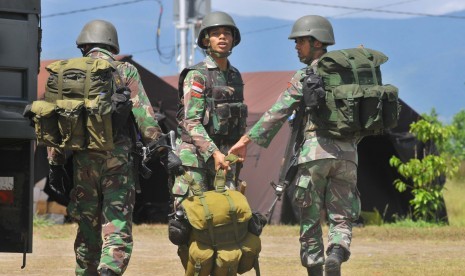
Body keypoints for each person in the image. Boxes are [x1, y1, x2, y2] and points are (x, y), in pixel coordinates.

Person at [229, 15, 360, 276]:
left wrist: (246, 140)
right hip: (347, 155)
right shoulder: (349, 75)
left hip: (313, 155)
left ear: (317, 42)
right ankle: (336, 251)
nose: (296, 47)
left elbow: (278, 111)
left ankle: (315, 267)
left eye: (301, 41)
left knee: (310, 220)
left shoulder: (306, 75)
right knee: (342, 216)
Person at [46, 19, 163, 276]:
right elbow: (144, 116)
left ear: (84, 45)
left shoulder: (68, 74)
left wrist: (55, 165)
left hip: (82, 161)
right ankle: (109, 269)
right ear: (112, 42)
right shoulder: (124, 70)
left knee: (87, 224)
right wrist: (162, 148)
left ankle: (85, 271)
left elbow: (55, 123)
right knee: (117, 220)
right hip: (117, 160)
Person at [171, 11, 247, 206]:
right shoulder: (197, 75)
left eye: (227, 33)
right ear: (206, 40)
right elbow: (191, 122)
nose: (222, 37)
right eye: (216, 33)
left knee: (227, 217)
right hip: (195, 158)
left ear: (234, 39)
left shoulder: (235, 76)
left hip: (225, 156)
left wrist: (239, 146)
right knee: (193, 217)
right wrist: (214, 153)